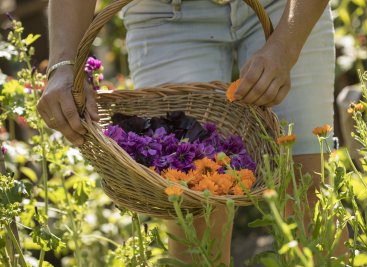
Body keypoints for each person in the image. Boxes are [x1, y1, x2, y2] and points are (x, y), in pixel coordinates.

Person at [38, 0, 335, 265]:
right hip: (165, 15)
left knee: (307, 189)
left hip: (282, 7)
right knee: (194, 207)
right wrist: (63, 65)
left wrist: (286, 46)